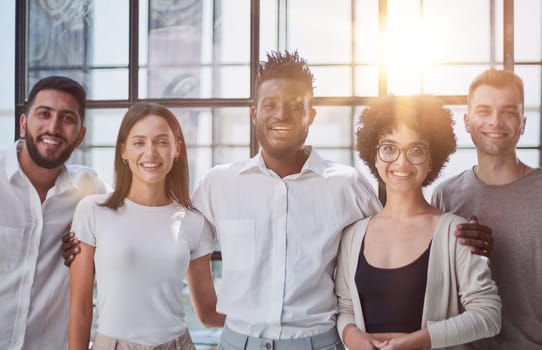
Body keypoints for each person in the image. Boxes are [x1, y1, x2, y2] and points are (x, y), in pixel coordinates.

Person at [192, 50, 382, 350]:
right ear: (254, 113)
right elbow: (183, 242)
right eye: (270, 105)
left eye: (295, 106)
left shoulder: (349, 186)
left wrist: (453, 240)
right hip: (237, 342)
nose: (281, 115)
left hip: (318, 342)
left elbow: (393, 246)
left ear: (312, 114)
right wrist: (207, 313)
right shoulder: (218, 184)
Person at [336, 95, 501, 350]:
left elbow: (488, 315)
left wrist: (415, 342)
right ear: (374, 155)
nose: (401, 162)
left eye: (416, 150)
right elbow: (346, 307)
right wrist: (352, 336)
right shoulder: (353, 235)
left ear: (431, 160)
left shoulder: (455, 232)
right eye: (389, 148)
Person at [68, 102, 224, 350]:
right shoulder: (92, 210)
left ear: (177, 149)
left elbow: (207, 313)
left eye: (162, 142)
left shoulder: (194, 223)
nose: (150, 153)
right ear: (123, 151)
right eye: (139, 142)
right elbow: (80, 306)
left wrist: (273, 317)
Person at [432, 68, 542, 349]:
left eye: (508, 112)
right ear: (467, 121)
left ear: (523, 122)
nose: (495, 122)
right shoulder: (445, 195)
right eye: (484, 110)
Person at [0, 76, 108, 350]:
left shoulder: (89, 189)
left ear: (81, 135)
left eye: (67, 118)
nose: (53, 127)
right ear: (24, 124)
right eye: (44, 114)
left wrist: (93, 245)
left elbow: (135, 218)